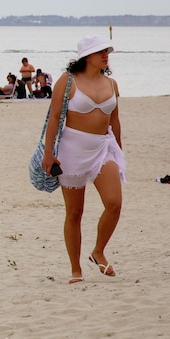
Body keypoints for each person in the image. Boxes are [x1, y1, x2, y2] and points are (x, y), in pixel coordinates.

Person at [41, 35, 125, 285]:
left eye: (107, 51)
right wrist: (48, 153)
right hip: (72, 150)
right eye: (100, 51)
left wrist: (118, 150)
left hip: (102, 148)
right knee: (75, 212)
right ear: (86, 56)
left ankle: (98, 250)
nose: (106, 55)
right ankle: (75, 270)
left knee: (114, 203)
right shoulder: (67, 82)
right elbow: (54, 117)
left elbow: (115, 120)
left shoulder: (112, 83)